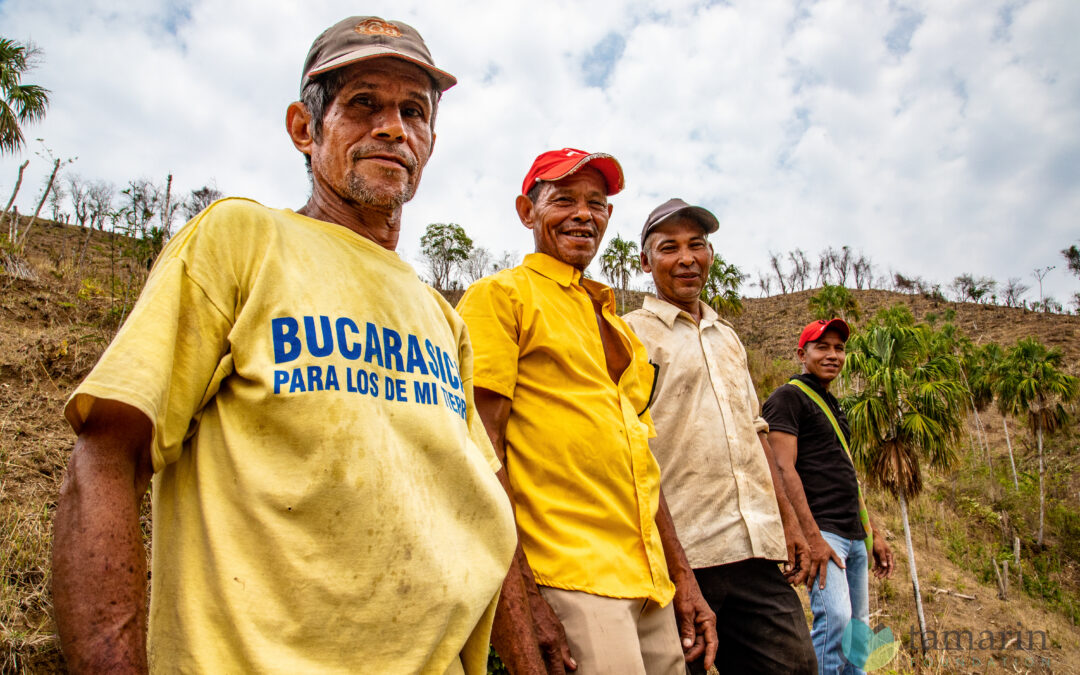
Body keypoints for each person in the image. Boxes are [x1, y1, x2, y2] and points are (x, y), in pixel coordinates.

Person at [51, 16, 517, 673]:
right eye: (364, 104)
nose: (393, 126)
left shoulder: (443, 317)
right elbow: (103, 455)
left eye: (413, 111)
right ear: (304, 127)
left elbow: (483, 506)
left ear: (431, 141)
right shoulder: (242, 238)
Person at [457, 150, 717, 675]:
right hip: (569, 572)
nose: (583, 214)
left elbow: (642, 461)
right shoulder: (501, 296)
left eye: (595, 203)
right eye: (563, 200)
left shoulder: (618, 327)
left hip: (648, 581)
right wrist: (523, 593)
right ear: (527, 212)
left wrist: (681, 575)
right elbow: (479, 449)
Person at [623, 198, 816, 674]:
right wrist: (675, 565)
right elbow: (628, 450)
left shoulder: (727, 337)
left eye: (698, 245)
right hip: (680, 557)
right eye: (669, 248)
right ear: (646, 263)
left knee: (794, 666)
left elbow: (757, 434)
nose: (687, 258)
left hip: (754, 551)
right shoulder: (630, 335)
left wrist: (789, 522)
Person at [762, 319, 895, 675]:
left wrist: (874, 534)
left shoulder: (833, 405)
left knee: (857, 632)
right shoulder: (787, 398)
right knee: (835, 621)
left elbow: (847, 476)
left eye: (839, 348)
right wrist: (811, 537)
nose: (833, 355)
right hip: (824, 533)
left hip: (854, 535)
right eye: (822, 348)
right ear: (802, 354)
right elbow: (781, 469)